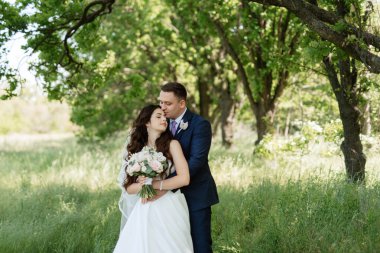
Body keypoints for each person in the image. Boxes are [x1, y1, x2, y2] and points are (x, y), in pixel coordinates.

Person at [114, 104, 193, 253]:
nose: (164, 119)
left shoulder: (172, 144)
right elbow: (129, 188)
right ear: (147, 122)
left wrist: (153, 183)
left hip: (170, 205)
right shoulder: (136, 149)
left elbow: (184, 179)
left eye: (164, 116)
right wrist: (144, 186)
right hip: (144, 207)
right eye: (158, 116)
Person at [154, 82, 219, 253]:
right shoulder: (160, 124)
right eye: (161, 102)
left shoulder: (200, 124)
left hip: (195, 194)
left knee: (200, 245)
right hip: (167, 199)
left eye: (168, 103)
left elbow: (197, 160)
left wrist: (165, 184)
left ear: (182, 103)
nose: (163, 107)